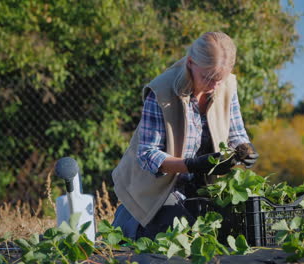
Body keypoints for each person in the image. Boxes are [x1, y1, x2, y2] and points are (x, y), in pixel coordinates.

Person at [111, 32, 259, 240]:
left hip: (202, 187)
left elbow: (236, 133)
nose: (214, 86)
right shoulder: (161, 92)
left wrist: (245, 149)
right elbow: (147, 155)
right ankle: (131, 225)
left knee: (232, 230)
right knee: (179, 235)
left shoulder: (226, 86)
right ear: (191, 63)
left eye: (220, 79)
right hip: (158, 191)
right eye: (208, 78)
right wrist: (192, 164)